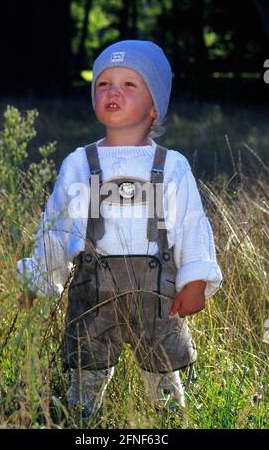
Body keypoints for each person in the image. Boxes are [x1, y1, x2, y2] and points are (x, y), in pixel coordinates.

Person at [17, 40, 223, 418]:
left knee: (162, 368)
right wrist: (40, 276)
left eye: (129, 84)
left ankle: (168, 419)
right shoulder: (80, 163)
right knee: (87, 366)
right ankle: (83, 417)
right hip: (94, 293)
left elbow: (193, 224)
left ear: (155, 106)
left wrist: (195, 280)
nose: (113, 91)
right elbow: (58, 228)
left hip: (157, 296)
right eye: (103, 83)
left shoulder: (171, 165)